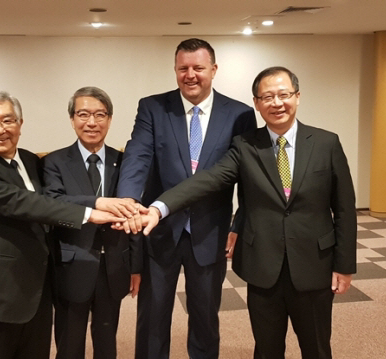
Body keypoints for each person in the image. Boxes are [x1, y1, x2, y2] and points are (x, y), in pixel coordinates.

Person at [142, 66, 357, 359]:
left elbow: (344, 209)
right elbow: (208, 179)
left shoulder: (325, 143)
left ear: (297, 96)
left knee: (317, 348)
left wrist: (344, 264)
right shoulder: (245, 146)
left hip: (314, 265)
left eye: (283, 95)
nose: (277, 103)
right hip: (263, 267)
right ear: (256, 103)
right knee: (266, 349)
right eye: (267, 97)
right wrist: (160, 207)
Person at [0, 89, 126, 359]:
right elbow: (27, 203)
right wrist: (92, 210)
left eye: (8, 120)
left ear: (20, 124)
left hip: (37, 287)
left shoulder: (31, 161)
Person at [117, 38, 257, 359]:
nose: (190, 75)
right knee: (152, 318)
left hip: (210, 231)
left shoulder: (239, 114)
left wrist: (240, 222)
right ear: (175, 70)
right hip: (161, 230)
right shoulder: (153, 107)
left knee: (206, 318)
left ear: (214, 70)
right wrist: (126, 199)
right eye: (183, 68)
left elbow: (247, 176)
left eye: (198, 68)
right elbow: (138, 156)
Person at [43, 87, 143, 359]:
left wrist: (136, 266)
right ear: (72, 119)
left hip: (114, 266)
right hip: (72, 265)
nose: (92, 122)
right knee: (69, 343)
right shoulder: (54, 162)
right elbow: (53, 203)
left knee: (107, 340)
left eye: (100, 115)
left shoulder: (124, 162)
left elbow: (132, 214)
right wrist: (97, 203)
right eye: (83, 114)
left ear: (110, 119)